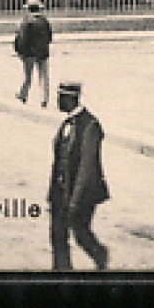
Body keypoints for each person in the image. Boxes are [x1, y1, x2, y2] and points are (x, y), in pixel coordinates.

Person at [47, 80, 109, 271]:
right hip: (59, 192)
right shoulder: (66, 122)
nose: (56, 101)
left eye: (60, 97)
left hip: (79, 193)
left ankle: (99, 253)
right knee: (57, 235)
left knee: (80, 233)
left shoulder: (90, 125)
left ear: (70, 99)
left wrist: (75, 201)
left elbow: (87, 168)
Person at [14, 0, 53, 107]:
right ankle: (44, 98)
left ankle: (23, 95)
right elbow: (49, 37)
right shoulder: (44, 21)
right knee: (43, 76)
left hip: (29, 53)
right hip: (43, 52)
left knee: (28, 77)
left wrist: (19, 51)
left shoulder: (26, 21)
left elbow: (22, 38)